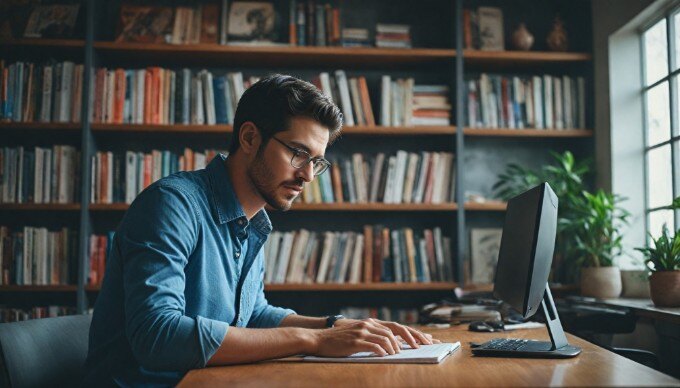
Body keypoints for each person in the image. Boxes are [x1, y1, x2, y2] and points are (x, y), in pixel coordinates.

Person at [83, 74, 438, 386]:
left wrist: (335, 326)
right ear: (250, 138)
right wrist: (310, 340)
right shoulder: (171, 204)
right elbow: (158, 336)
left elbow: (251, 315)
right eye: (299, 153)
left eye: (317, 162)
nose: (308, 176)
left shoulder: (253, 221)